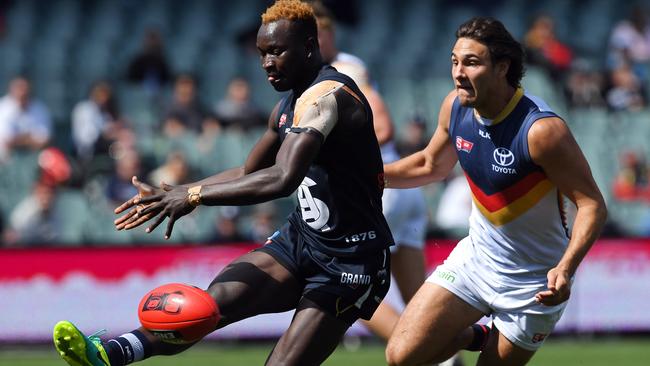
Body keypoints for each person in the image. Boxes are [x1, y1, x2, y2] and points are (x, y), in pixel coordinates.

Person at [53, 1, 393, 366]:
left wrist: (195, 196)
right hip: (303, 241)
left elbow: (282, 178)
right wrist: (177, 191)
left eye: (277, 52)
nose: (266, 63)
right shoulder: (286, 106)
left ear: (310, 46)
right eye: (262, 54)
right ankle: (111, 353)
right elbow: (248, 170)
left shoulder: (327, 97)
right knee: (206, 307)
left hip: (351, 261)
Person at [384, 17, 607, 365]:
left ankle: (487, 336)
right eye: (455, 61)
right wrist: (368, 176)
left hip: (534, 283)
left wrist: (566, 268)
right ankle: (478, 335)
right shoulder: (455, 106)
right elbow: (430, 164)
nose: (459, 72)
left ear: (502, 67)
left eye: (471, 62)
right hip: (476, 261)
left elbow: (592, 204)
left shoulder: (542, 131)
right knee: (401, 356)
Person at [314, 2, 429, 343]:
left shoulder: (343, 69)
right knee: (417, 299)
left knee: (346, 289)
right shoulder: (345, 67)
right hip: (401, 188)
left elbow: (383, 127)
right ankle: (445, 356)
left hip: (379, 189)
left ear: (327, 33)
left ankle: (421, 354)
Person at [0, 76, 52, 162]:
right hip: (6, 158)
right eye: (19, 89)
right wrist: (29, 138)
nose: (22, 93)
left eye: (24, 90)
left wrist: (18, 140)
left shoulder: (40, 109)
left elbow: (45, 140)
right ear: (11, 91)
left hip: (34, 156)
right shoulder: (3, 107)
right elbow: (6, 140)